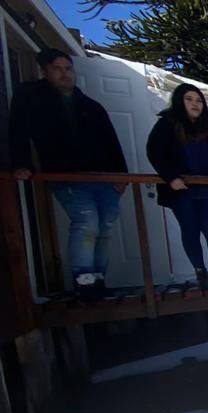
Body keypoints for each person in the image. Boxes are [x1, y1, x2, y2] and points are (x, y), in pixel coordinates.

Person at [9, 48, 127, 299]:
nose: (65, 74)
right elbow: (17, 131)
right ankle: (83, 279)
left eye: (68, 68)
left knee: (105, 225)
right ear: (45, 71)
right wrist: (21, 164)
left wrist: (121, 174)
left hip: (103, 176)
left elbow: (111, 141)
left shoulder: (90, 106)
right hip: (66, 175)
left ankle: (98, 279)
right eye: (57, 69)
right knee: (87, 222)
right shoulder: (33, 98)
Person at [146, 83, 208, 289]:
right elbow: (154, 152)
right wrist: (171, 177)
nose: (195, 104)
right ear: (179, 101)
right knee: (190, 229)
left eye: (199, 100)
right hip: (181, 189)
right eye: (189, 99)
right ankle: (201, 272)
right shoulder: (168, 124)